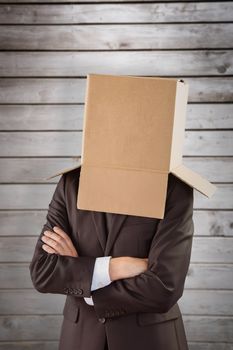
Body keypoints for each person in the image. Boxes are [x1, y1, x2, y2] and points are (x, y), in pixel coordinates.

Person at [29, 164, 194, 350]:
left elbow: (164, 287)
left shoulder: (172, 187)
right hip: (81, 337)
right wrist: (115, 267)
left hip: (149, 339)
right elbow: (42, 270)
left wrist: (83, 277)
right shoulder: (72, 182)